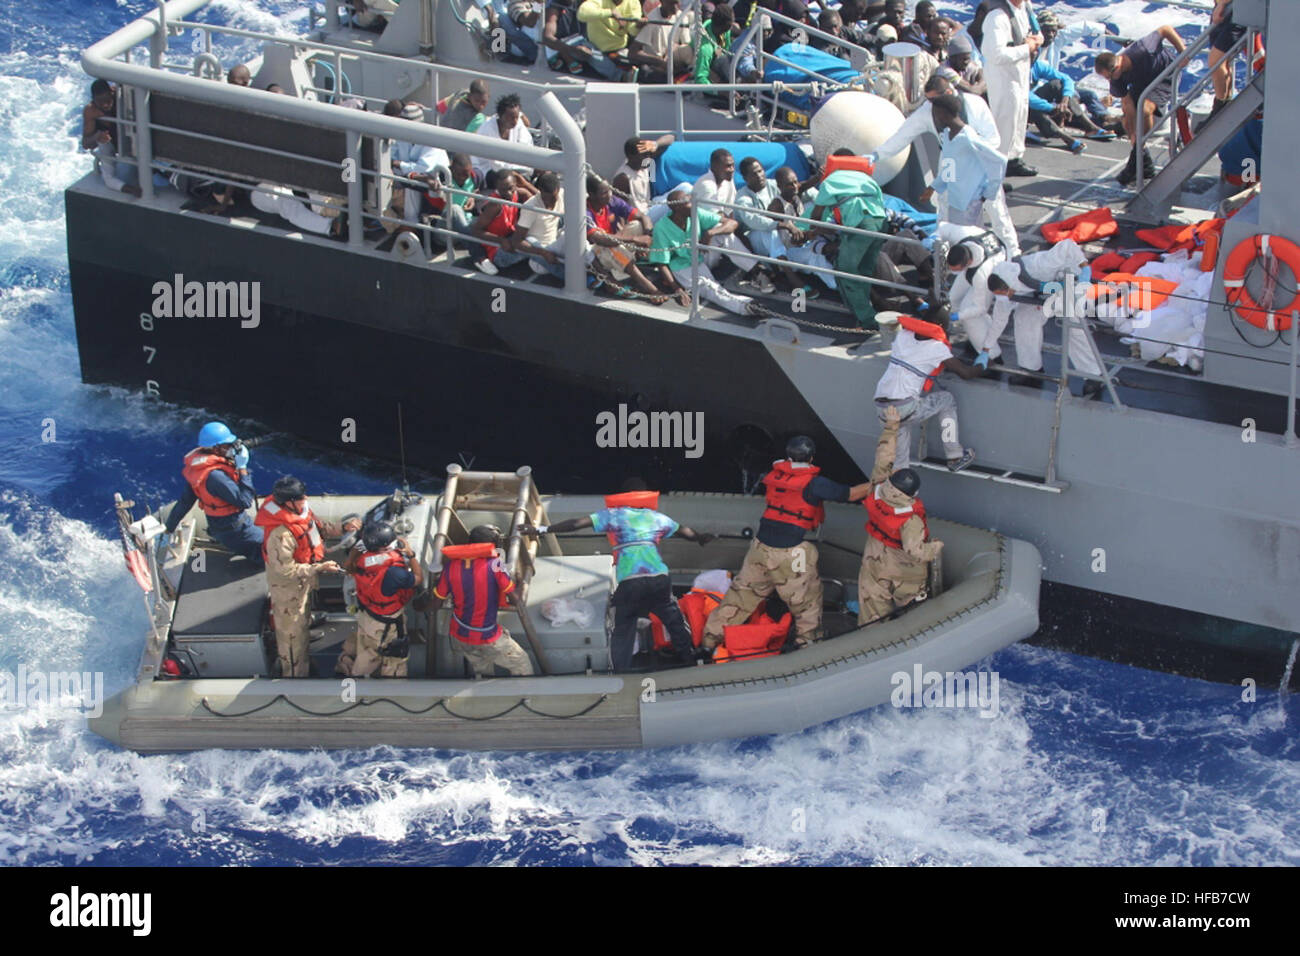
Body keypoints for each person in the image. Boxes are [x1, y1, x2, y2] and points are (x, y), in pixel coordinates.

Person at [702, 435, 874, 651]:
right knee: (807, 599)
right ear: (811, 458)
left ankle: (710, 640)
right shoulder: (815, 484)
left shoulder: (777, 473)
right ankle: (808, 642)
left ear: (788, 456)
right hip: (793, 554)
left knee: (740, 596)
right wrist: (879, 482)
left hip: (760, 548)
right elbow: (851, 494)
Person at [522, 483, 714, 669]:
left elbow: (577, 523)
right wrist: (701, 538)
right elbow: (686, 532)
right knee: (673, 620)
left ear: (624, 496)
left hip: (631, 583)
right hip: (659, 579)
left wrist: (541, 529)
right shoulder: (655, 517)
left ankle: (621, 673)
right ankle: (689, 662)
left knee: (623, 628)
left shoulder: (614, 515)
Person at [869, 74, 1020, 256]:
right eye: (928, 100)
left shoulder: (972, 117)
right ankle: (944, 254)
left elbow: (994, 147)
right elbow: (903, 136)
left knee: (996, 211)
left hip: (978, 169)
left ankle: (1012, 253)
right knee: (945, 210)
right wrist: (877, 155)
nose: (931, 106)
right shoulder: (932, 118)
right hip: (951, 166)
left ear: (948, 94)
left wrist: (986, 188)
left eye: (935, 101)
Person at [856, 406, 944, 625]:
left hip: (874, 558)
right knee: (914, 618)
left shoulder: (877, 487)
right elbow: (915, 552)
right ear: (913, 494)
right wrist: (934, 548)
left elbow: (883, 457)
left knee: (872, 615)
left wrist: (891, 427)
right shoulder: (910, 519)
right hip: (904, 570)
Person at [978, 241, 1105, 390]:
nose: (1008, 296)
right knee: (1024, 319)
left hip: (1067, 279)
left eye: (1007, 292)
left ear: (1010, 285)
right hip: (1038, 292)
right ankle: (1030, 369)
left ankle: (1093, 375)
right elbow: (999, 321)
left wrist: (1085, 268)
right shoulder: (1005, 292)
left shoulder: (1040, 265)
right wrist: (985, 350)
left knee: (1073, 325)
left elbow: (1067, 245)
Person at [254, 476, 344, 677]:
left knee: (302, 620)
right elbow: (285, 570)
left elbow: (320, 529)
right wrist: (318, 569)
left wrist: (344, 528)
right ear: (288, 502)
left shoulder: (302, 513)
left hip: (303, 581)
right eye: (300, 497)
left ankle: (304, 650)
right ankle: (295, 676)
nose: (305, 498)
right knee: (291, 636)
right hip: (288, 589)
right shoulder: (281, 534)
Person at [873, 305, 981, 471]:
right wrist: (984, 364)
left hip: (882, 407)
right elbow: (965, 373)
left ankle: (897, 488)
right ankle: (954, 455)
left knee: (900, 462)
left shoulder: (903, 335)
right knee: (946, 399)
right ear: (940, 327)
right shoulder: (937, 348)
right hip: (905, 406)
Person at [434, 524, 536, 676]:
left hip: (459, 635)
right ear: (492, 546)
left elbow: (436, 602)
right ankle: (523, 696)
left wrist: (420, 605)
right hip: (487, 637)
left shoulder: (450, 566)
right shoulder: (495, 564)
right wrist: (522, 583)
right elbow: (515, 600)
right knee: (522, 664)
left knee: (482, 671)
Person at [648, 189, 767, 315]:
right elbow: (661, 264)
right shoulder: (661, 228)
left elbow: (732, 223)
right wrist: (677, 289)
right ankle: (745, 307)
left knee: (723, 234)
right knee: (709, 287)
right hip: (683, 268)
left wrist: (711, 233)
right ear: (677, 208)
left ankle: (757, 272)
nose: (694, 204)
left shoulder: (694, 213)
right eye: (689, 202)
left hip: (700, 256)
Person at [1093, 26, 1185, 186]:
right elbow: (1127, 103)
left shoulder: (1143, 49)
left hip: (1165, 76)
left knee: (1145, 109)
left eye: (1110, 76)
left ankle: (1136, 158)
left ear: (1117, 65)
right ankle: (1142, 158)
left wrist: (1182, 51)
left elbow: (1165, 29)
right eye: (1107, 78)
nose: (1110, 80)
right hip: (1141, 82)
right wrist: (1133, 130)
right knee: (1127, 120)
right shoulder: (1116, 77)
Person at [164, 422, 264, 565]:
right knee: (274, 554)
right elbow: (245, 501)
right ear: (215, 449)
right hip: (236, 530)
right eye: (227, 445)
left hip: (218, 527)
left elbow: (185, 501)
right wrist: (242, 468)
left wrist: (169, 527)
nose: (230, 448)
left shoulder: (199, 471)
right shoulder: (216, 477)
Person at [808, 165, 890, 331]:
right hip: (881, 223)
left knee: (844, 272)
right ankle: (864, 315)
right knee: (864, 271)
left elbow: (816, 216)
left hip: (860, 225)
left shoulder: (829, 182)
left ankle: (867, 321)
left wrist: (812, 231)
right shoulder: (864, 177)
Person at [341, 520, 423, 678]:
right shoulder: (394, 573)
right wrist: (411, 555)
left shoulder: (360, 561)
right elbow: (418, 578)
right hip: (388, 625)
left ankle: (355, 678)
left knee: (367, 653)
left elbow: (349, 566)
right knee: (394, 661)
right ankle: (389, 691)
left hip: (368, 617)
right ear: (386, 546)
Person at [923, 94, 1009, 234]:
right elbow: (948, 166)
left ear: (943, 114)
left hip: (969, 204)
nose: (934, 119)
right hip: (954, 201)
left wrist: (988, 192)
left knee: (968, 241)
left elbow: (999, 161)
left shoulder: (968, 138)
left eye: (935, 114)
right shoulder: (947, 135)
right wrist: (934, 186)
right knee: (954, 239)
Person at [694, 149, 773, 291]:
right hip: (699, 244)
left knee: (728, 233)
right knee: (724, 233)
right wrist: (730, 227)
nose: (731, 170)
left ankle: (757, 270)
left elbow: (731, 214)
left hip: (713, 240)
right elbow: (714, 221)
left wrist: (739, 234)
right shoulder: (707, 186)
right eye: (727, 166)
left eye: (732, 165)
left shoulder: (726, 181)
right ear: (714, 167)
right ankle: (758, 271)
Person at [979, 0, 1042, 177]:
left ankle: (1013, 159)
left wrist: (1037, 40)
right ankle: (993, 172)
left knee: (1019, 118)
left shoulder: (1025, 8)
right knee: (1004, 122)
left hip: (1020, 74)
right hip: (1003, 78)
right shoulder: (997, 17)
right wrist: (1026, 48)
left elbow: (1036, 31)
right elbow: (995, 54)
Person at [585, 174, 666, 298]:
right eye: (604, 193)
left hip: (614, 242)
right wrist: (635, 240)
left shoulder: (612, 202)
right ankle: (651, 288)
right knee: (612, 246)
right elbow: (599, 239)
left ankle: (661, 267)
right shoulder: (585, 212)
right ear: (591, 195)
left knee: (638, 225)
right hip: (596, 251)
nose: (610, 195)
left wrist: (646, 236)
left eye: (610, 191)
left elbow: (643, 217)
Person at [387, 99, 451, 225]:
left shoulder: (432, 139)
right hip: (413, 178)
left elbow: (423, 169)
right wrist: (397, 164)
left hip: (438, 183)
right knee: (408, 181)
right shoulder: (402, 135)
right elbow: (391, 156)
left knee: (412, 183)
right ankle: (405, 224)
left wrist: (399, 164)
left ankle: (411, 226)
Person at [81, 80, 141, 197]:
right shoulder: (91, 111)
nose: (105, 105)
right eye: (100, 102)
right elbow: (86, 143)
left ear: (112, 94)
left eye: (108, 100)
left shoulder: (121, 95)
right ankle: (130, 190)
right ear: (93, 100)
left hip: (128, 136)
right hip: (107, 141)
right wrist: (97, 137)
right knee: (108, 179)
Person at [472, 94, 539, 192]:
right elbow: (494, 164)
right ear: (500, 115)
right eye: (511, 117)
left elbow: (526, 149)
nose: (515, 121)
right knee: (514, 184)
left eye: (516, 117)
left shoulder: (518, 124)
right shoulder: (486, 130)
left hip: (516, 170)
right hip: (490, 172)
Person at [508, 170, 568, 278]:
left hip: (556, 242)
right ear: (540, 192)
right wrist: (543, 253)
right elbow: (517, 241)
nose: (549, 202)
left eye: (553, 198)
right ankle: (573, 278)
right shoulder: (530, 208)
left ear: (558, 190)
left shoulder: (563, 195)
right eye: (546, 198)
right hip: (540, 255)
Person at [468, 170, 525, 274]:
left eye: (510, 188)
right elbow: (476, 231)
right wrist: (501, 240)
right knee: (534, 247)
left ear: (515, 184)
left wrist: (525, 183)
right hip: (497, 251)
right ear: (497, 189)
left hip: (511, 239)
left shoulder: (517, 193)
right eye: (503, 190)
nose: (508, 193)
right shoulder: (494, 205)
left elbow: (539, 199)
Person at [628, 0, 695, 82]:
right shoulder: (652, 19)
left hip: (672, 58)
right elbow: (632, 52)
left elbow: (686, 44)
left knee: (688, 51)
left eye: (677, 3)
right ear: (662, 2)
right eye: (671, 3)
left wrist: (672, 48)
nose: (675, 7)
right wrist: (658, 61)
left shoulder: (682, 17)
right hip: (655, 64)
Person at [577, 0, 643, 79]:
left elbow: (632, 31)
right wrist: (611, 13)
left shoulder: (634, 2)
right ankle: (622, 77)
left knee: (637, 62)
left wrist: (638, 26)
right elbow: (581, 14)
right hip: (594, 47)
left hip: (619, 48)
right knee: (591, 55)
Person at [611, 133, 675, 211]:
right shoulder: (623, 178)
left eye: (648, 154)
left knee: (683, 189)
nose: (647, 157)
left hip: (651, 208)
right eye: (644, 155)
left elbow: (671, 138)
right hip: (640, 217)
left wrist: (655, 144)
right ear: (631, 156)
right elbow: (619, 208)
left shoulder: (643, 163)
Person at [1207, 0, 1246, 119]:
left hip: (1236, 14)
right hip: (1226, 11)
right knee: (1223, 62)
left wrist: (1222, 4)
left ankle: (1220, 107)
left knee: (1216, 61)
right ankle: (1225, 102)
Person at [941, 32, 986, 97]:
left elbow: (981, 73)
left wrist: (980, 86)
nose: (967, 62)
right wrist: (982, 86)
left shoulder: (967, 64)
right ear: (952, 58)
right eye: (964, 59)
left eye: (968, 59)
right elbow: (972, 91)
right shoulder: (944, 70)